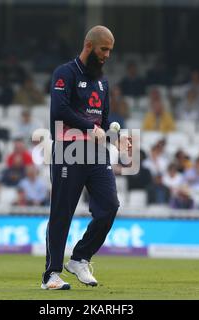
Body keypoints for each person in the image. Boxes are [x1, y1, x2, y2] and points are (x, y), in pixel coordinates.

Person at [42, 25, 130, 290]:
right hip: (68, 149)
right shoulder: (65, 73)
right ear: (89, 45)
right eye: (104, 49)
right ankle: (51, 275)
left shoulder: (102, 82)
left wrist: (116, 138)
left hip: (95, 153)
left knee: (109, 206)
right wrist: (89, 128)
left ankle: (80, 258)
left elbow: (103, 123)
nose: (107, 55)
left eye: (110, 51)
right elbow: (60, 110)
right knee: (62, 212)